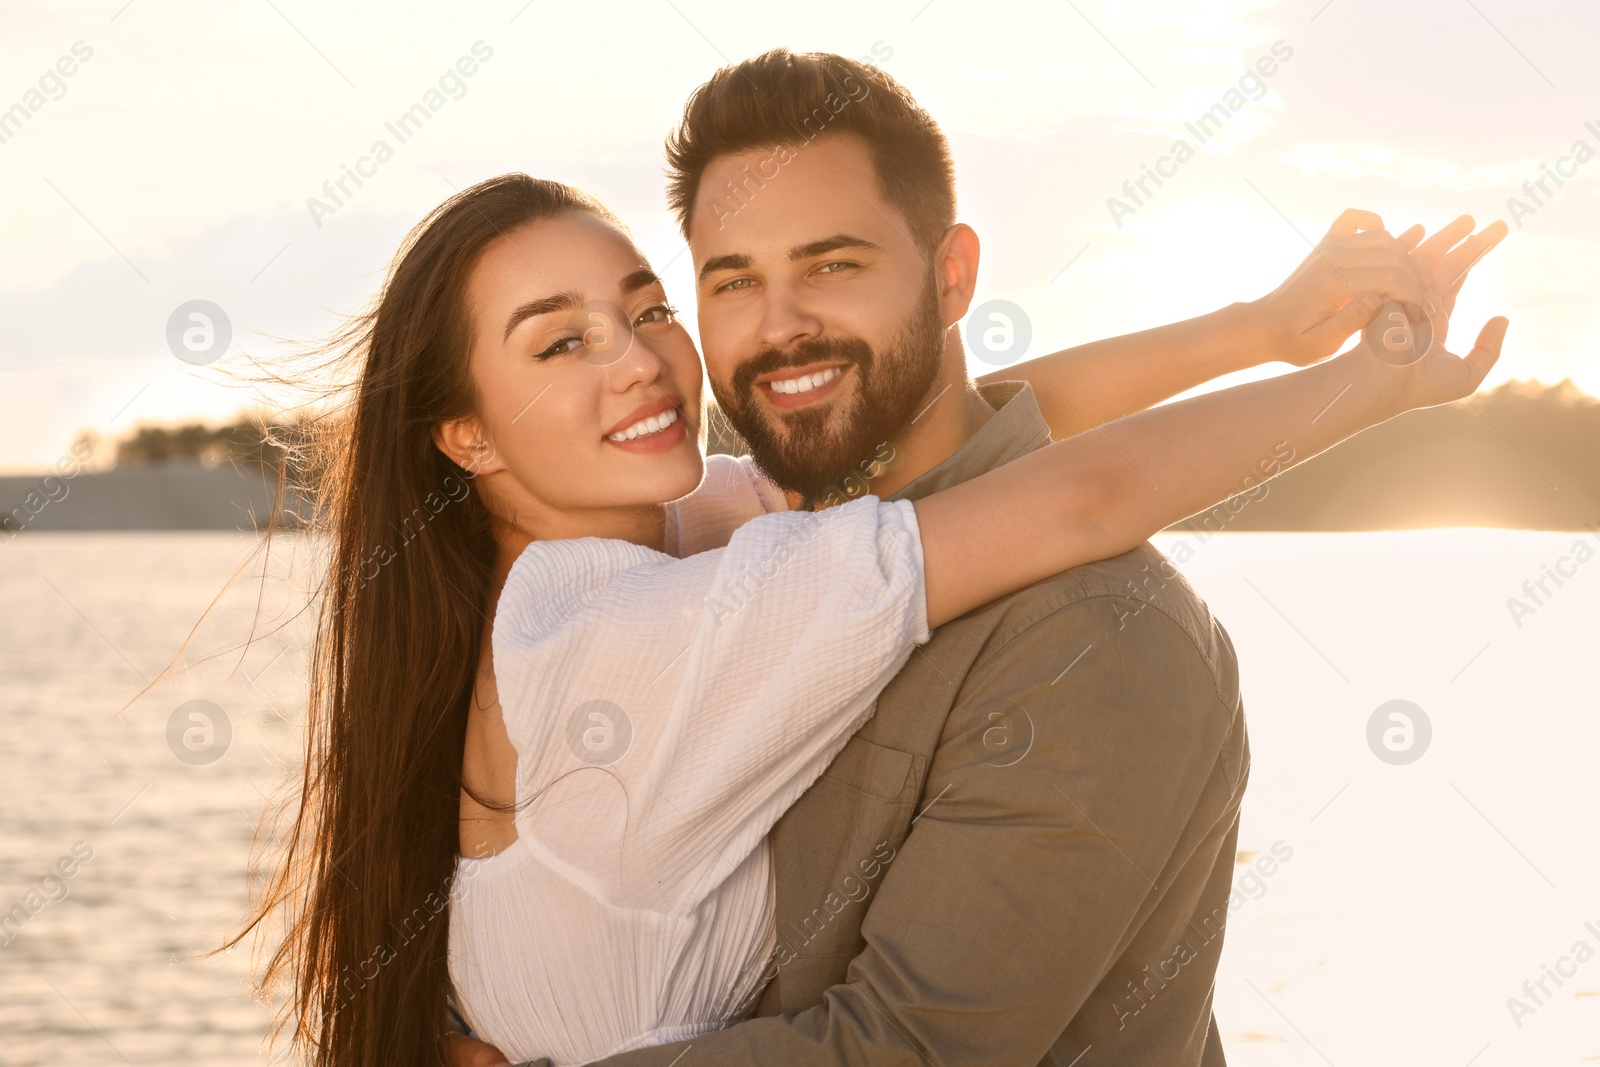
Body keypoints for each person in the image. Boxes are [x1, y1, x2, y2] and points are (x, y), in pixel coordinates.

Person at [435, 51, 1507, 1067]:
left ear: (953, 279)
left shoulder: (1089, 634)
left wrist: (1273, 336)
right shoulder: (749, 563)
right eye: (728, 281)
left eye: (833, 264)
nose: (779, 329)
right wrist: (1331, 366)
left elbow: (905, 1051)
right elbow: (997, 451)